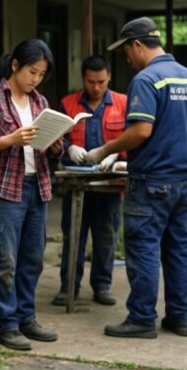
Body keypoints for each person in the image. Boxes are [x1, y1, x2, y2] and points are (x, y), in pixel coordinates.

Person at [83, 17, 187, 339]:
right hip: (186, 181)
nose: (126, 58)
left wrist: (104, 150)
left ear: (137, 44)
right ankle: (180, 317)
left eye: (126, 50)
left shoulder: (146, 79)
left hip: (152, 182)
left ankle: (141, 319)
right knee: (179, 249)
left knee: (144, 248)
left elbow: (140, 131)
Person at [0, 39, 62, 351]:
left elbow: (50, 147)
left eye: (40, 74)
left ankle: (27, 319)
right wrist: (9, 140)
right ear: (15, 65)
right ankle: (6, 325)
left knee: (32, 259)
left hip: (37, 187)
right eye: (31, 72)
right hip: (3, 190)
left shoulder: (40, 102)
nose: (35, 79)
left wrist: (55, 143)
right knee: (4, 260)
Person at [53, 55, 127, 307]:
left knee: (106, 235)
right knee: (73, 235)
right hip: (75, 180)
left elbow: (134, 136)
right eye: (91, 81)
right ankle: (68, 287)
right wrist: (68, 147)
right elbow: (55, 136)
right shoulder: (68, 103)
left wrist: (116, 153)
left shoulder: (123, 103)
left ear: (109, 78)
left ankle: (102, 286)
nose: (96, 87)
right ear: (83, 78)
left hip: (109, 181)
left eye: (101, 82)